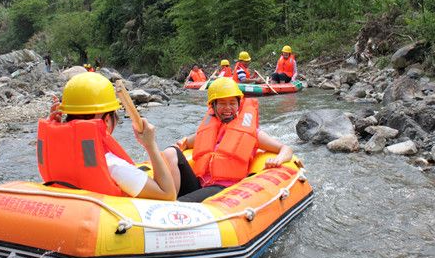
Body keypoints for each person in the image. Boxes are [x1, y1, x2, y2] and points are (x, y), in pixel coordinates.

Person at [46, 72, 176, 201]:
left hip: (76, 210)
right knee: (176, 157)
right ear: (107, 120)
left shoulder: (54, 150)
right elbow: (168, 194)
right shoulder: (112, 164)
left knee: (174, 154)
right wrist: (150, 145)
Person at [162, 78, 293, 202]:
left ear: (239, 105)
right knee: (170, 152)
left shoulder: (252, 133)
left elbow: (286, 149)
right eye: (222, 104)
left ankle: (173, 206)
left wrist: (278, 159)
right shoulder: (207, 131)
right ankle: (169, 196)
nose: (228, 108)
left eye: (232, 103)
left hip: (223, 189)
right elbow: (183, 144)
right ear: (213, 106)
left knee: (181, 203)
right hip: (199, 184)